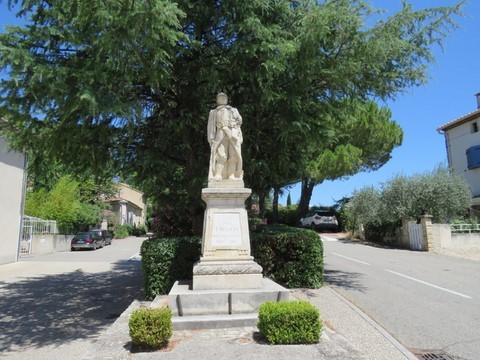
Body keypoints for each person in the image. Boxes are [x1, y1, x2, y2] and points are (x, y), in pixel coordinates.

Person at [207, 93, 243, 181]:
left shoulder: (233, 110)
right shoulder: (214, 112)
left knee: (233, 154)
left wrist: (235, 125)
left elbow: (240, 120)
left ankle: (232, 175)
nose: (223, 99)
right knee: (220, 153)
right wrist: (211, 137)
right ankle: (218, 174)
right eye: (221, 97)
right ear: (217, 100)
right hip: (221, 132)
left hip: (233, 132)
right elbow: (211, 126)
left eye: (225, 97)